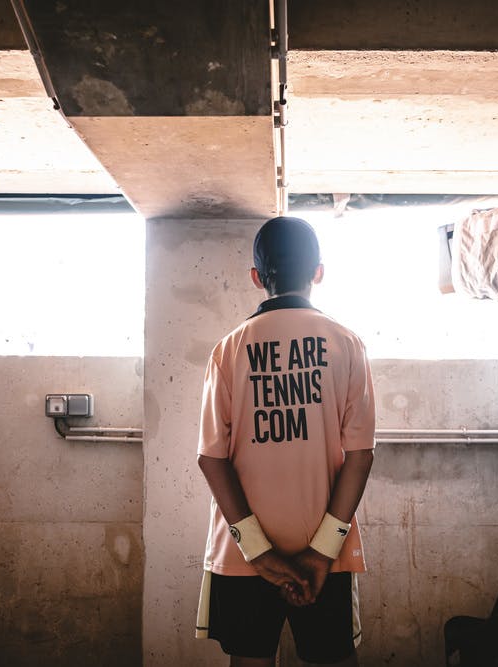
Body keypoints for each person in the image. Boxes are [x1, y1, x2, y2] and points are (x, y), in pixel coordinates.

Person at [195, 216, 376, 667]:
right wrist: (321, 551)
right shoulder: (347, 344)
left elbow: (211, 460)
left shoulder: (229, 350)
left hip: (244, 554)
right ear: (318, 271)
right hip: (325, 554)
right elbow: (361, 456)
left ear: (257, 277)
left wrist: (259, 553)